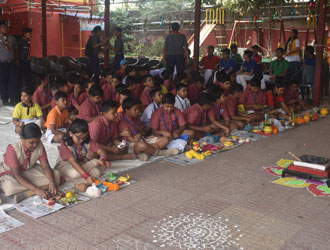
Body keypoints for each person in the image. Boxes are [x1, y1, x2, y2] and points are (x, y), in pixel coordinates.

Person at [0, 123, 60, 203]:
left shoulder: (40, 145)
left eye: (37, 142)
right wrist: (36, 189)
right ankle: (33, 190)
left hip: (29, 169)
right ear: (22, 138)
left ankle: (27, 192)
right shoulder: (13, 149)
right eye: (31, 142)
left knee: (56, 176)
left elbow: (45, 167)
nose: (35, 145)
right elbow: (17, 175)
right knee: (10, 188)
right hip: (11, 173)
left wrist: (52, 182)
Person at [55, 119, 111, 184]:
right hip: (65, 166)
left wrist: (103, 159)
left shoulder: (87, 140)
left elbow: (101, 151)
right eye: (78, 138)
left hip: (80, 164)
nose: (81, 140)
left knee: (97, 173)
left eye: (84, 137)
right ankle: (95, 162)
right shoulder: (65, 145)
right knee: (75, 174)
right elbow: (74, 163)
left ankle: (66, 179)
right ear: (70, 133)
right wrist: (87, 176)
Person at [0, 20, 19, 106]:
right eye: (3, 27)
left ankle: (13, 98)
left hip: (11, 63)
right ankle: (4, 99)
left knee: (12, 81)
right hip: (2, 63)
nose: (6, 28)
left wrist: (16, 60)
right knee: (2, 81)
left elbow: (16, 49)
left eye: (6, 27)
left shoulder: (11, 38)